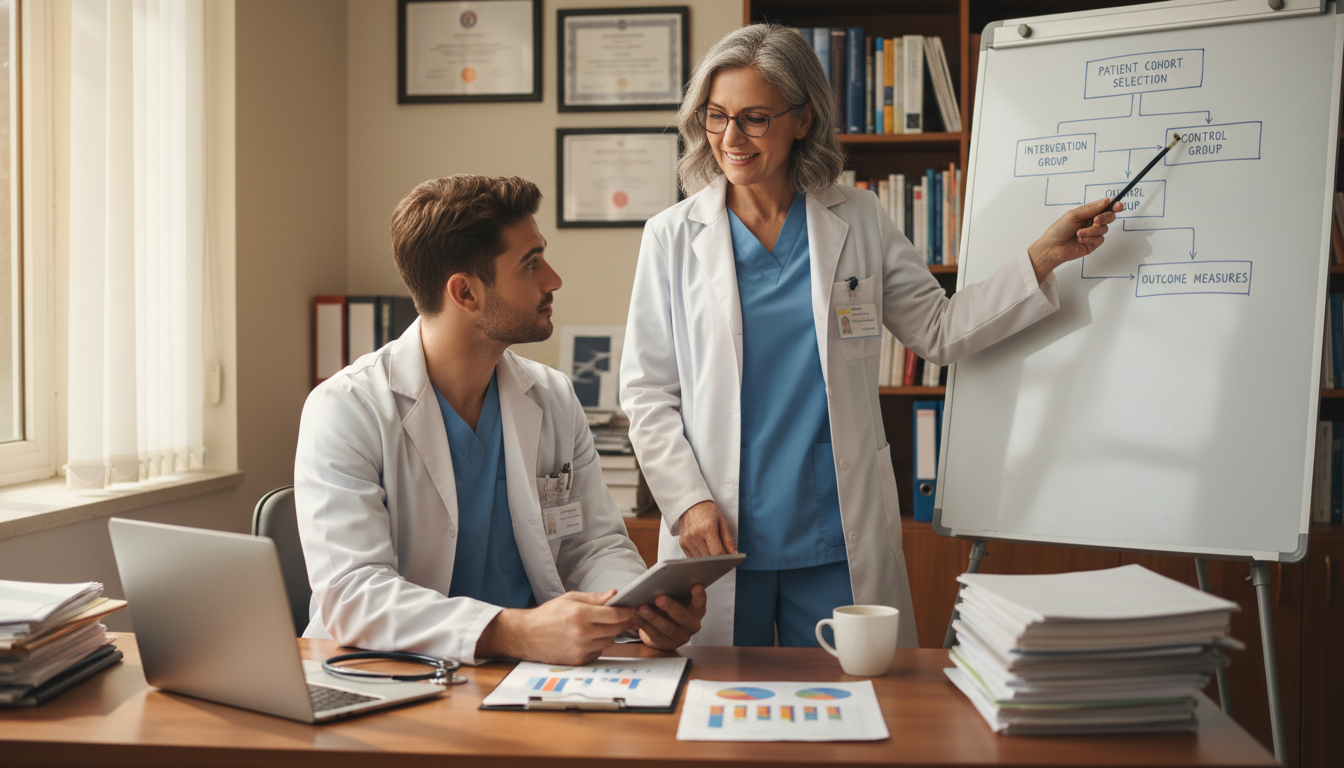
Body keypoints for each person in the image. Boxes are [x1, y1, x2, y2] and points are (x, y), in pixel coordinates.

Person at [620, 25, 1121, 648]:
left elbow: (938, 329)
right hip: (719, 531)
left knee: (853, 696)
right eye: (716, 116)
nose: (730, 138)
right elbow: (647, 392)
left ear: (803, 119)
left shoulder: (857, 218)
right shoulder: (672, 236)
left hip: (836, 528)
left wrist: (1042, 258)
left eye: (754, 118)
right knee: (722, 700)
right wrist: (687, 501)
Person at [295, 175, 706, 665]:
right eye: (530, 264)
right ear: (465, 293)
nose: (553, 280)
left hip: (530, 672)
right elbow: (354, 594)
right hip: (390, 672)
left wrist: (640, 610)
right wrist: (512, 631)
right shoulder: (346, 409)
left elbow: (593, 547)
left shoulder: (553, 397)